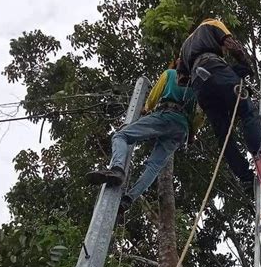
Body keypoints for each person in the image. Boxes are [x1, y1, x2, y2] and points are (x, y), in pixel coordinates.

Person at [178, 18, 261, 193]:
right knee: (247, 110)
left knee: (224, 135)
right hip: (214, 66)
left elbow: (181, 80)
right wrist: (246, 65)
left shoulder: (185, 47)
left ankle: (245, 178)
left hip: (200, 84)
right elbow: (233, 46)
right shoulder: (212, 23)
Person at [86, 64, 203, 218]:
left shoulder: (170, 73)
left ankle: (117, 170)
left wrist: (147, 109)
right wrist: (192, 134)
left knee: (121, 136)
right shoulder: (198, 86)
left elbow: (154, 96)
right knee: (154, 166)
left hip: (165, 115)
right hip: (182, 129)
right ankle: (128, 199)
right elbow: (200, 116)